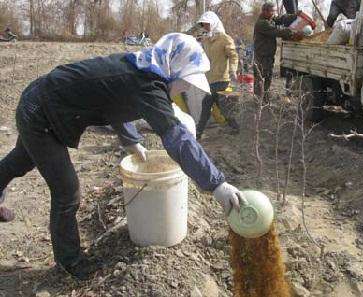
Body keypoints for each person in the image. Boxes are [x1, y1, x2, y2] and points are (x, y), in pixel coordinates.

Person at [0, 33, 242, 280]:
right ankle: (69, 262)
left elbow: (114, 102)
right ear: (173, 67)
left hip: (42, 102)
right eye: (185, 81)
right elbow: (178, 139)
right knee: (66, 190)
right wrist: (216, 184)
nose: (186, 87)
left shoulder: (141, 67)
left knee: (20, 161)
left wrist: (132, 143)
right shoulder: (147, 84)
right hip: (40, 113)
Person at [192, 11, 240, 139]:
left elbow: (233, 56)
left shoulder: (225, 39)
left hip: (221, 79)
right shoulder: (206, 40)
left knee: (218, 107)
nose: (205, 27)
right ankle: (199, 134)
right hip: (209, 80)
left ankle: (235, 128)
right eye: (203, 25)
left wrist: (233, 71)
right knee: (211, 107)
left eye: (207, 24)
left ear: (213, 23)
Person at [253, 2, 303, 100]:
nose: (274, 14)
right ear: (265, 11)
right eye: (273, 11)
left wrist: (295, 16)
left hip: (268, 55)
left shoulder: (269, 19)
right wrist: (293, 32)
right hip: (262, 57)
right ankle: (258, 101)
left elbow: (281, 19)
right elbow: (277, 31)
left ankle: (264, 98)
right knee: (260, 79)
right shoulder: (262, 23)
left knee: (268, 77)